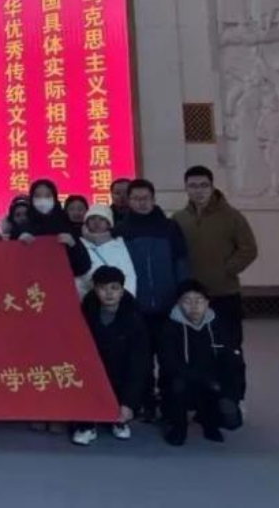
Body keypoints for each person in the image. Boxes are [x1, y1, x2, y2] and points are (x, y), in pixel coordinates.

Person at [114, 178, 191, 420]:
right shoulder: (121, 230)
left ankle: (170, 405)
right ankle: (145, 403)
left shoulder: (170, 227)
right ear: (128, 201)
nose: (141, 203)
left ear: (154, 199)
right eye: (136, 199)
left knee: (169, 359)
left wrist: (182, 293)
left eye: (145, 198)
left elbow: (180, 262)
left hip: (168, 305)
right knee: (141, 361)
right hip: (136, 307)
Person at [173, 166, 258, 350]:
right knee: (197, 347)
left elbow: (249, 249)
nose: (199, 190)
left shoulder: (232, 216)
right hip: (192, 296)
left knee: (229, 346)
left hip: (224, 293)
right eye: (193, 186)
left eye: (204, 185)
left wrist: (227, 270)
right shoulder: (179, 219)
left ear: (212, 187)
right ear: (186, 189)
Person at [159, 281, 245, 446]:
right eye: (187, 301)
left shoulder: (219, 325)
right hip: (183, 379)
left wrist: (234, 395)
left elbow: (232, 361)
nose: (194, 306)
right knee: (177, 385)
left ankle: (211, 425)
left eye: (199, 301)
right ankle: (178, 428)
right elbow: (169, 363)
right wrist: (202, 379)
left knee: (230, 416)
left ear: (207, 303)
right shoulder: (169, 327)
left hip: (212, 380)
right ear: (178, 303)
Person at [72, 266, 151, 447]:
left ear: (122, 291)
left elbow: (139, 363)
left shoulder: (134, 317)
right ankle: (86, 424)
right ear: (95, 290)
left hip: (120, 373)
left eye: (114, 288)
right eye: (103, 288)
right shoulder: (84, 313)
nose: (109, 293)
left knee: (131, 372)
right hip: (92, 372)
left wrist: (129, 403)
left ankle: (119, 419)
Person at [13, 180, 91, 277]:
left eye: (48, 196)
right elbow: (10, 266)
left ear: (55, 198)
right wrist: (18, 246)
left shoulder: (66, 225)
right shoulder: (21, 228)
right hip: (30, 283)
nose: (42, 200)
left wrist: (73, 245)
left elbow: (84, 267)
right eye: (37, 196)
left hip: (60, 281)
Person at [75, 205, 138, 300]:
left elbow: (129, 275)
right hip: (87, 300)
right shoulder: (78, 244)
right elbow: (77, 278)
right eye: (92, 218)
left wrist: (125, 301)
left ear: (109, 224)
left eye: (102, 219)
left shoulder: (119, 244)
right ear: (86, 222)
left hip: (116, 301)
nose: (97, 222)